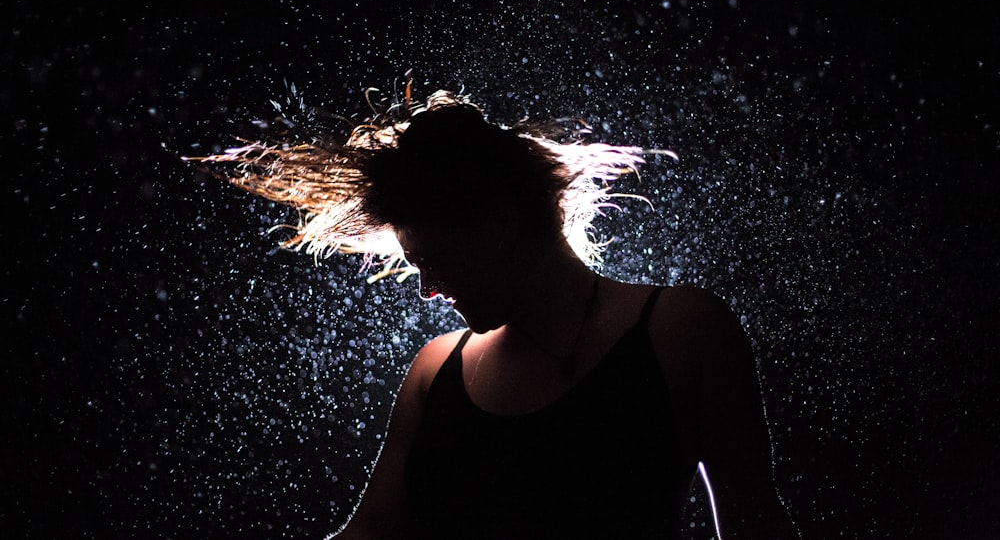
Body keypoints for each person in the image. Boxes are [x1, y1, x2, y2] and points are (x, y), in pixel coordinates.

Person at [197, 90, 800, 539]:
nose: (428, 289)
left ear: (499, 226)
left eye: (436, 260)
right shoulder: (436, 370)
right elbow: (368, 534)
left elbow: (755, 526)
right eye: (415, 266)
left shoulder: (679, 329)